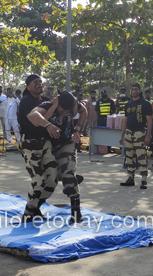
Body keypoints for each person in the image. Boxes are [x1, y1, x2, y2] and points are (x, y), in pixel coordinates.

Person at [28, 91, 88, 223]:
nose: (64, 113)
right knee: (51, 181)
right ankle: (36, 207)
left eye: (67, 112)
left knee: (69, 175)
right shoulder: (47, 105)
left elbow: (84, 111)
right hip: (49, 148)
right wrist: (52, 111)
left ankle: (76, 212)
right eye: (62, 110)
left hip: (66, 143)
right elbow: (32, 115)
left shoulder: (73, 105)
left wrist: (78, 130)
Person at [18, 74, 57, 222]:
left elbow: (54, 114)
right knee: (38, 180)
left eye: (40, 82)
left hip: (46, 143)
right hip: (30, 144)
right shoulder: (26, 101)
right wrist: (52, 108)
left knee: (52, 179)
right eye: (35, 82)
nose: (39, 84)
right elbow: (37, 121)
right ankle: (28, 213)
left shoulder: (46, 101)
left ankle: (35, 207)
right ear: (28, 86)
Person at [119, 83, 153, 189]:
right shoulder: (128, 104)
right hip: (129, 133)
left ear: (140, 91)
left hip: (140, 133)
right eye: (132, 89)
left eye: (136, 89)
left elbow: (149, 121)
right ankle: (130, 178)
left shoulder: (145, 104)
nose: (134, 91)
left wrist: (148, 136)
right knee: (129, 157)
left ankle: (143, 179)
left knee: (141, 156)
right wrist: (122, 135)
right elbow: (125, 120)